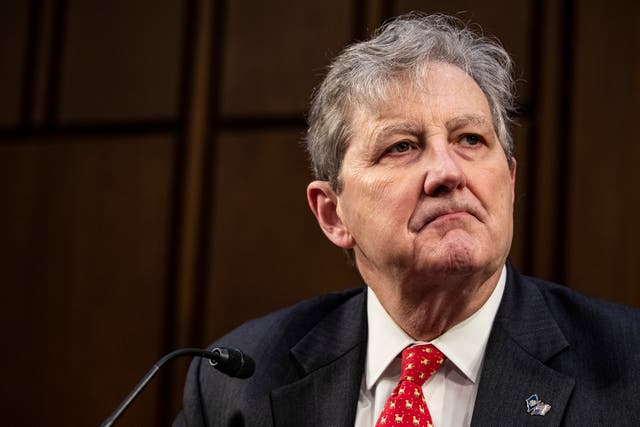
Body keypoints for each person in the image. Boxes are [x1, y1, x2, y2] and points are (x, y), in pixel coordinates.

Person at [173, 13, 640, 426]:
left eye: (471, 139)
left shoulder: (629, 366)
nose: (448, 172)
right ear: (334, 215)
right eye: (401, 146)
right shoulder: (238, 381)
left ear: (510, 183)